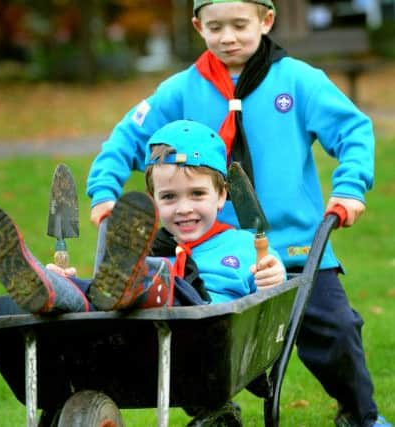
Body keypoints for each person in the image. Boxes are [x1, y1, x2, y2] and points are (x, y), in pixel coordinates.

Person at [85, 1, 391, 426]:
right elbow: (127, 138)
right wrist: (104, 191)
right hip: (214, 250)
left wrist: (350, 187)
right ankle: (215, 409)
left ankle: (360, 415)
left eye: (239, 25)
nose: (228, 36)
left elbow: (353, 129)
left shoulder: (299, 81)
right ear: (198, 27)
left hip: (296, 246)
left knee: (337, 331)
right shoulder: (182, 90)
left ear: (266, 21)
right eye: (215, 27)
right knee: (196, 331)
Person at [0, 120, 285, 317]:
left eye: (197, 194)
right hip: (135, 334)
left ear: (222, 196)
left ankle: (135, 282)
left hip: (204, 321)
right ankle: (50, 286)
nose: (183, 208)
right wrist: (71, 282)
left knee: (157, 275)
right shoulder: (146, 245)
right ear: (154, 202)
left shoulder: (245, 246)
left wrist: (274, 275)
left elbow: (271, 298)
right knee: (91, 293)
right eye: (169, 197)